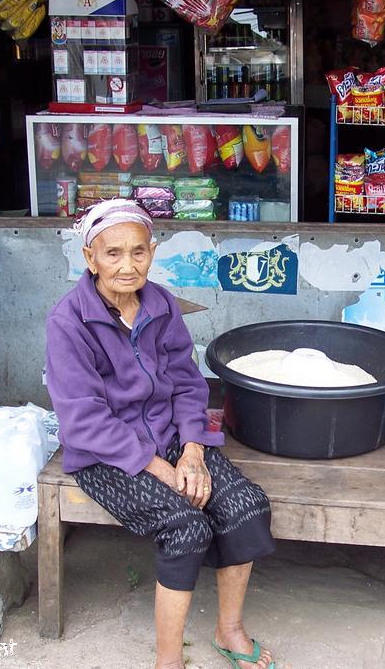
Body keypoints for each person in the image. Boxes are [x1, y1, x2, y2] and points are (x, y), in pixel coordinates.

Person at [45, 199, 277, 669]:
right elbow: (82, 418)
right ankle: (167, 662)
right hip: (105, 455)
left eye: (138, 252)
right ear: (89, 257)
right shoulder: (68, 322)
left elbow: (188, 383)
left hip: (172, 437)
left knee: (245, 505)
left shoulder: (160, 303)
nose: (127, 266)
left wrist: (192, 448)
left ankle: (228, 629)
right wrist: (155, 466)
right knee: (186, 527)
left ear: (152, 252)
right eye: (113, 254)